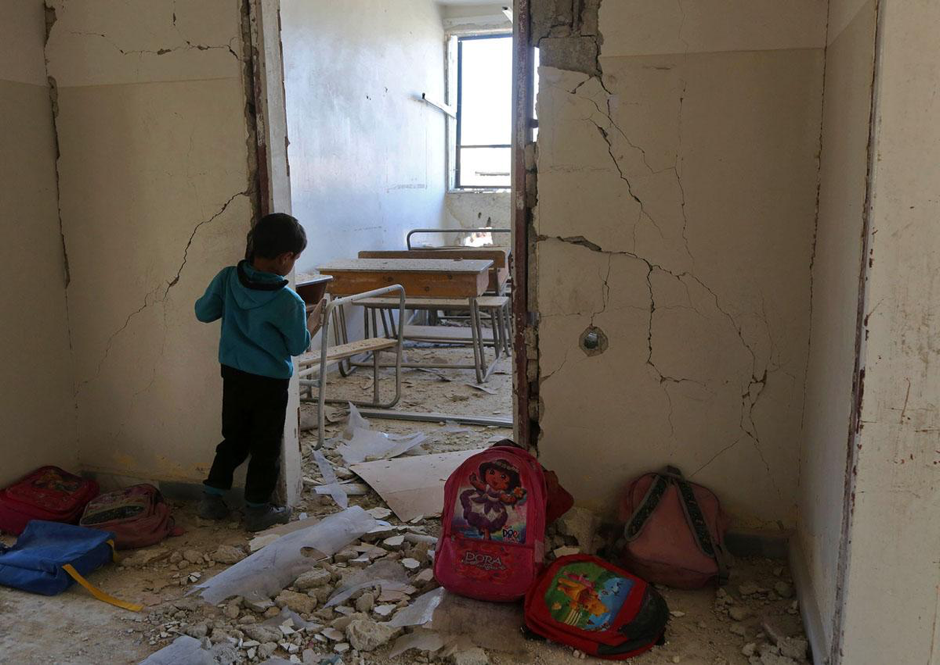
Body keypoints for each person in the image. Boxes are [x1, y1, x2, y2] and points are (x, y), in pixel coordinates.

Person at [194, 212, 315, 532]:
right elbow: (297, 345)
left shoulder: (227, 278)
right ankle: (258, 510)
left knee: (234, 438)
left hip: (233, 373)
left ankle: (211, 499)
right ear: (285, 257)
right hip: (269, 383)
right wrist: (310, 326)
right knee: (265, 445)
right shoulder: (289, 300)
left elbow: (203, 312)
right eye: (295, 258)